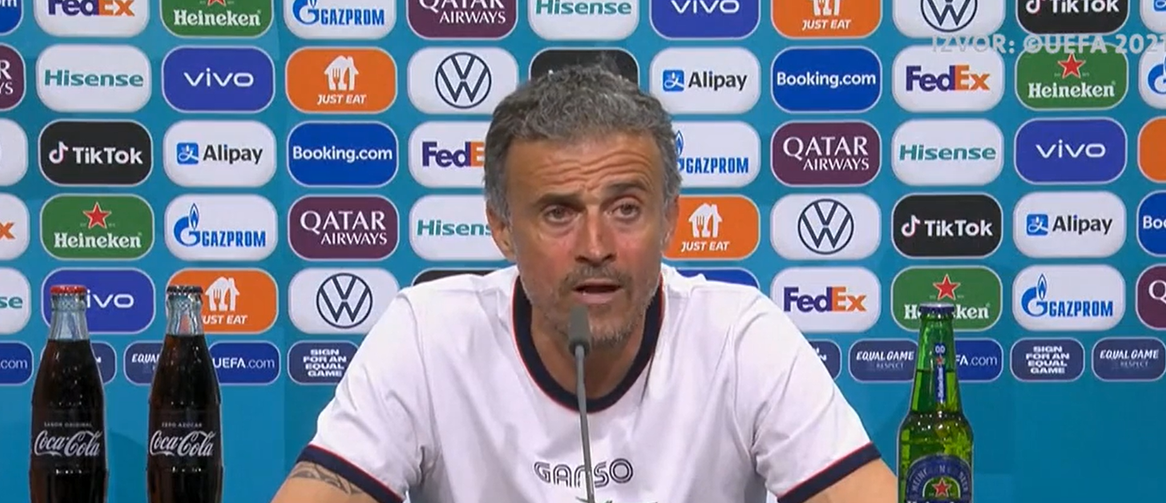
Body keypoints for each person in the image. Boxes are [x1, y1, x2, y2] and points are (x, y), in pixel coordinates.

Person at [269, 63, 898, 503]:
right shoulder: (428, 335)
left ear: (670, 218)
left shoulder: (738, 337)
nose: (596, 247)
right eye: (558, 213)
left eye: (625, 209)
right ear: (502, 228)